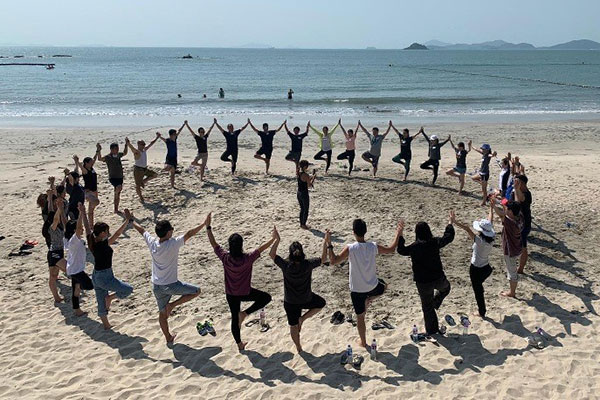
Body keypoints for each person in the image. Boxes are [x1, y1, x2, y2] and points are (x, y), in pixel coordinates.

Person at [132, 214, 209, 343]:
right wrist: (203, 224)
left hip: (156, 285)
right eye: (171, 229)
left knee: (162, 315)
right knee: (196, 291)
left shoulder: (152, 243)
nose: (173, 231)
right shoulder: (172, 244)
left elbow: (142, 230)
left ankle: (168, 337)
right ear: (168, 232)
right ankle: (172, 305)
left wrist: (131, 220)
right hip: (171, 285)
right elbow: (189, 234)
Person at [327, 219, 403, 349]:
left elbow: (333, 261)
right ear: (365, 232)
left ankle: (363, 342)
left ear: (353, 232)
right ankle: (370, 299)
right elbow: (391, 249)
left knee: (360, 317)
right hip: (372, 287)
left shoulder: (350, 248)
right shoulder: (372, 246)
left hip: (356, 290)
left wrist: (329, 243)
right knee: (384, 286)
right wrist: (398, 233)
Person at [205, 214, 276, 351]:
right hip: (245, 292)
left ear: (230, 246)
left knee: (234, 317)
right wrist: (273, 239)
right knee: (266, 298)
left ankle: (239, 344)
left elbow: (213, 244)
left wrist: (208, 227)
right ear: (241, 246)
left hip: (231, 294)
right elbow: (261, 248)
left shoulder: (225, 257)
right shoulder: (247, 259)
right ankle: (245, 313)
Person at [269, 227, 327, 352]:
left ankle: (298, 347)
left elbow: (272, 254)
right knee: (321, 303)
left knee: (293, 326)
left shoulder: (286, 265)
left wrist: (277, 240)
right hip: (306, 298)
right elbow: (323, 259)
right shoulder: (307, 264)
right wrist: (325, 242)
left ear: (290, 254)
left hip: (290, 302)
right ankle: (303, 318)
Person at [396, 213, 455, 335]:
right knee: (446, 288)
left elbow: (401, 250)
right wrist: (450, 223)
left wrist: (400, 234)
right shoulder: (434, 242)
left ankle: (432, 330)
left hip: (423, 282)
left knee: (427, 308)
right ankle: (435, 302)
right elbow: (448, 237)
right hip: (438, 278)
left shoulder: (414, 247)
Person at [88, 210, 134, 330]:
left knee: (100, 300)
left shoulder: (92, 242)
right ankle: (110, 298)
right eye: (107, 231)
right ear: (102, 233)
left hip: (96, 275)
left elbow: (88, 228)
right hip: (105, 276)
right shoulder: (102, 245)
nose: (109, 233)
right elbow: (117, 234)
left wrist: (83, 212)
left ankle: (106, 325)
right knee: (127, 289)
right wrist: (126, 222)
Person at [451, 211, 495, 318]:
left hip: (476, 269)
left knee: (478, 291)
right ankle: (481, 308)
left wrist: (454, 222)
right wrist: (491, 208)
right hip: (486, 268)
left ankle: (482, 312)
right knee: (479, 287)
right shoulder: (490, 240)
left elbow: (467, 228)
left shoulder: (479, 240)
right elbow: (489, 222)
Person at [64, 203, 94, 316]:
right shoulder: (74, 240)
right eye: (79, 229)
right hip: (76, 270)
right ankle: (77, 309)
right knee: (90, 285)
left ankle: (77, 310)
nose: (81, 230)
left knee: (76, 290)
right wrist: (81, 213)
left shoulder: (70, 240)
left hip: (72, 269)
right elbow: (78, 227)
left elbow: (67, 223)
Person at [491, 200, 522, 298]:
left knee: (512, 272)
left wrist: (493, 206)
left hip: (510, 250)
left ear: (511, 212)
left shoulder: (510, 223)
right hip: (518, 247)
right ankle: (512, 289)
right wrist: (501, 201)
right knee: (512, 269)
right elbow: (506, 211)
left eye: (508, 209)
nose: (506, 209)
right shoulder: (520, 217)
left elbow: (501, 215)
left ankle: (512, 292)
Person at [126, 133, 160, 203]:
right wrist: (128, 143)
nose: (144, 145)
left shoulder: (144, 150)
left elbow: (151, 144)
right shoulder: (137, 152)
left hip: (144, 169)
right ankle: (141, 197)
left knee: (155, 175)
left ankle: (143, 181)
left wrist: (157, 138)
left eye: (144, 144)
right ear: (138, 144)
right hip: (138, 170)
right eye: (142, 144)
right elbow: (132, 148)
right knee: (137, 186)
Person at [97, 140, 129, 214]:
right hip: (113, 177)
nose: (117, 150)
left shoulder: (118, 155)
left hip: (120, 177)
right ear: (111, 149)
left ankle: (116, 209)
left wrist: (126, 145)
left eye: (117, 149)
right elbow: (99, 159)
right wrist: (98, 150)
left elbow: (125, 153)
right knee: (118, 188)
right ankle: (115, 194)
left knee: (118, 193)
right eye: (116, 149)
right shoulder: (108, 157)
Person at [46, 195, 68, 303]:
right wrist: (59, 208)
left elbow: (62, 219)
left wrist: (61, 208)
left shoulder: (60, 227)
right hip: (54, 253)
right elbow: (55, 218)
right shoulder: (52, 228)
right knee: (69, 269)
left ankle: (57, 298)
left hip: (57, 252)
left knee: (53, 276)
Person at [512, 174, 532, 274]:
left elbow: (519, 200)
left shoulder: (527, 194)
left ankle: (521, 269)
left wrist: (516, 188)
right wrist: (499, 200)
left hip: (524, 224)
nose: (514, 183)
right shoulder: (516, 191)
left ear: (522, 184)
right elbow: (511, 204)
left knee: (523, 247)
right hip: (517, 223)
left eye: (517, 181)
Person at [74, 154, 100, 226]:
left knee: (91, 211)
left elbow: (94, 159)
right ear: (86, 163)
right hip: (88, 192)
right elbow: (81, 167)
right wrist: (77, 161)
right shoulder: (85, 170)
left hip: (95, 191)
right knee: (96, 202)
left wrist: (97, 151)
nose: (92, 163)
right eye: (91, 162)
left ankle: (91, 225)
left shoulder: (91, 168)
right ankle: (83, 213)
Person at [159, 124, 185, 188]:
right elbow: (163, 139)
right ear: (171, 135)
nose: (175, 135)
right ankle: (162, 172)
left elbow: (179, 131)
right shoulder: (168, 141)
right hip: (169, 157)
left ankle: (172, 186)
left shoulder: (175, 139)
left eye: (175, 134)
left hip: (174, 158)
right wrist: (159, 136)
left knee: (173, 173)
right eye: (174, 134)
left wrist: (184, 124)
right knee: (166, 169)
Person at [296, 160, 317, 229]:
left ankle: (301, 223)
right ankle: (303, 224)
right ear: (305, 166)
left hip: (299, 192)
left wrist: (311, 177)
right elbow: (309, 185)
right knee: (306, 209)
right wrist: (313, 178)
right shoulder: (306, 175)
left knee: (302, 209)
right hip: (304, 193)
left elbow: (304, 180)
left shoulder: (298, 173)